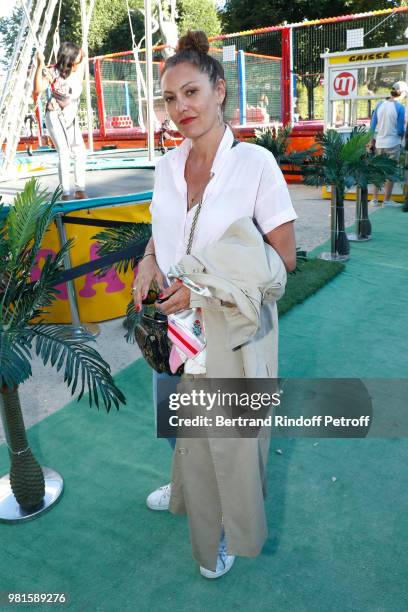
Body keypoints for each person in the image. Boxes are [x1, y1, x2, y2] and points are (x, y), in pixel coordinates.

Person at [132, 30, 297, 579]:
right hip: (176, 325)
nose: (181, 108)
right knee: (187, 426)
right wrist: (149, 259)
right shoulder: (165, 166)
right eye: (171, 98)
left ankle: (219, 532)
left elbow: (285, 261)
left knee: (225, 442)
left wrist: (205, 287)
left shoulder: (254, 164)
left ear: (220, 90)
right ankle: (186, 492)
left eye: (192, 92)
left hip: (232, 327)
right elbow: (165, 230)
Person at [34, 42, 88, 201]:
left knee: (79, 151)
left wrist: (81, 53)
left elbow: (82, 55)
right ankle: (65, 193)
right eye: (76, 60)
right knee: (64, 153)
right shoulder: (52, 73)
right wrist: (39, 64)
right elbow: (37, 89)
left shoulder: (76, 71)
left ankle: (80, 189)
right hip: (55, 116)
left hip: (70, 117)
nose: (79, 63)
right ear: (69, 60)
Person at [370, 80, 408, 208]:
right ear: (401, 93)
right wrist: (403, 138)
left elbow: (372, 125)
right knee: (390, 172)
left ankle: (374, 200)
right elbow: (400, 129)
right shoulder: (400, 107)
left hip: (379, 143)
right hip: (393, 143)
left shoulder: (380, 104)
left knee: (377, 171)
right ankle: (386, 201)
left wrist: (371, 141)